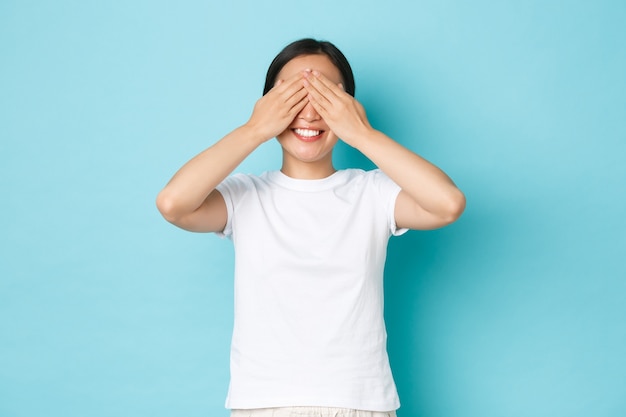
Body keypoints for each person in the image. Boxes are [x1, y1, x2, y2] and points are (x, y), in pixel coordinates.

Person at [156, 38, 465, 417]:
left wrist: (362, 133)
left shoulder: (372, 193)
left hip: (360, 404)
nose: (309, 113)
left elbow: (448, 204)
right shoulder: (245, 195)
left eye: (324, 97)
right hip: (263, 404)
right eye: (293, 96)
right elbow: (173, 204)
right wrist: (255, 129)